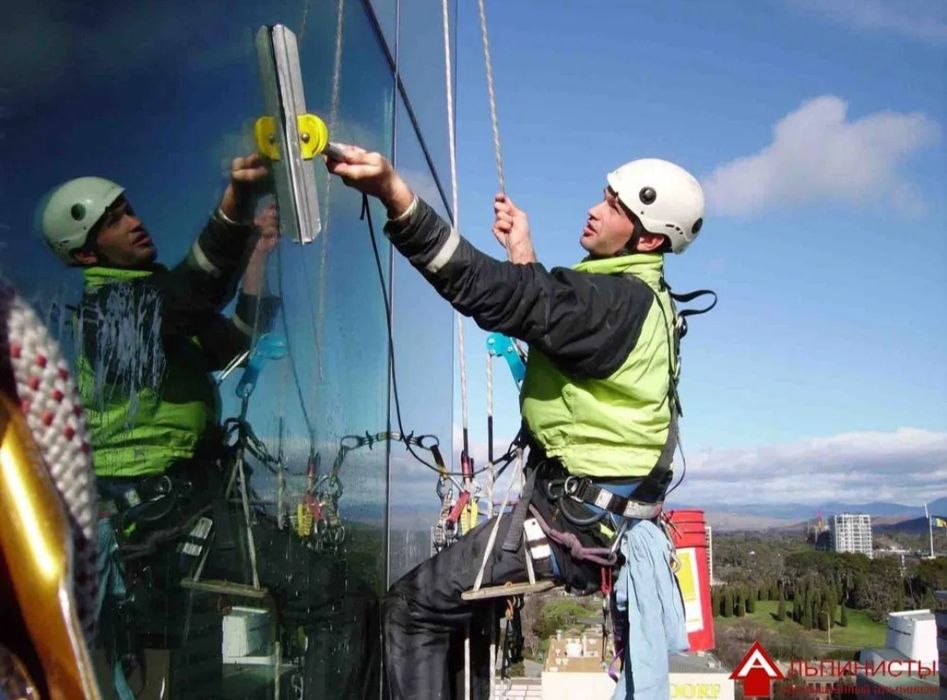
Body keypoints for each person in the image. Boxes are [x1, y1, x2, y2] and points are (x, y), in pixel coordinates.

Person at [327, 147, 707, 700]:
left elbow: (500, 294)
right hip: (601, 514)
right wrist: (523, 253)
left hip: (574, 519)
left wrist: (398, 199)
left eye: (615, 207)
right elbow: (551, 315)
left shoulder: (617, 302)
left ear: (647, 239)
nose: (596, 210)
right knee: (460, 608)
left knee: (410, 609)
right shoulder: (639, 300)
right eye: (604, 196)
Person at [38, 153, 280, 698]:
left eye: (128, 209)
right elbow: (194, 293)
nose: (134, 221)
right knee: (159, 673)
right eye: (113, 221)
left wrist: (258, 256)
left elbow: (235, 340)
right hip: (146, 524)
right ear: (86, 252)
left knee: (187, 669)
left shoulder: (160, 312)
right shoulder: (109, 314)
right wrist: (235, 209)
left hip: (180, 509)